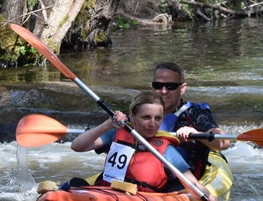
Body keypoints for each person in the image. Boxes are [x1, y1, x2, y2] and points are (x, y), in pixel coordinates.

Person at [70, 91, 219, 201]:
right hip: (104, 193)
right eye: (146, 117)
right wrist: (107, 125)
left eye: (158, 118)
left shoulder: (166, 150)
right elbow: (77, 146)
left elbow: (191, 182)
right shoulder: (116, 133)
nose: (152, 124)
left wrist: (207, 196)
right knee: (72, 185)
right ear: (132, 117)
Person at [96, 62, 228, 179]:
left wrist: (196, 134)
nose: (163, 91)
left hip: (178, 181)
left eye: (170, 86)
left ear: (182, 88)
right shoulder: (141, 112)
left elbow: (224, 142)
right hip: (139, 177)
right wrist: (110, 125)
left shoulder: (195, 114)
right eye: (158, 85)